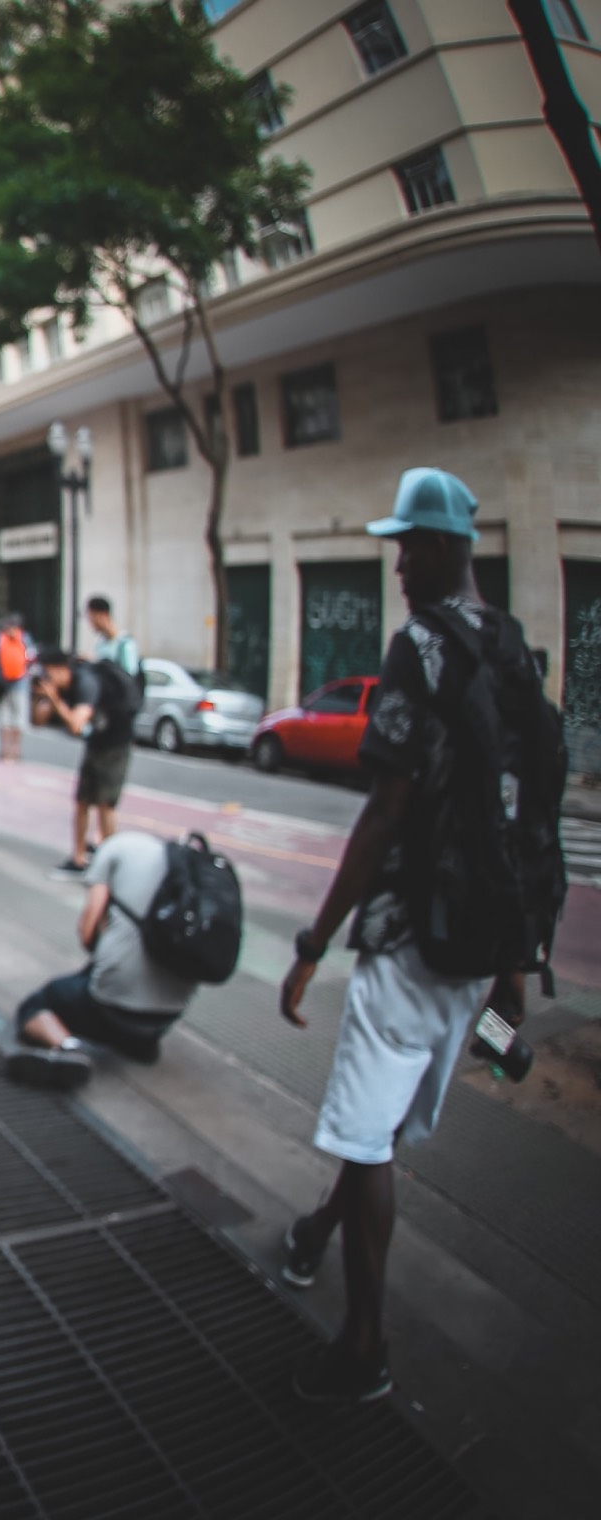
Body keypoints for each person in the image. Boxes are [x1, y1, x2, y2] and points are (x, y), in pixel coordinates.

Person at [277, 467, 561, 1406]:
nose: (396, 564)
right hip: (481, 947)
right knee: (382, 1130)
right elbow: (529, 814)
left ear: (441, 548)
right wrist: (515, 972)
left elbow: (383, 815)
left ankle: (364, 1347)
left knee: (365, 1139)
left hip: (407, 942)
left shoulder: (419, 650)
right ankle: (319, 1233)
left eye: (405, 546)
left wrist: (316, 940)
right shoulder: (515, 649)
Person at [5, 829, 201, 1088]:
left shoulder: (112, 850)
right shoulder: (181, 865)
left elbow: (87, 933)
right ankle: (137, 1043)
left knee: (36, 1005)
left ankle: (69, 1048)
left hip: (111, 1007)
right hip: (169, 1015)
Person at [36, 648, 131, 873]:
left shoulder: (86, 682)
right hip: (97, 742)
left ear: (60, 669)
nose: (46, 678)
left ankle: (110, 867)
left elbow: (76, 725)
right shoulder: (66, 685)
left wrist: (54, 700)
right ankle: (79, 859)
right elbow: (37, 721)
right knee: (83, 801)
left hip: (116, 742)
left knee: (105, 805)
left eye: (48, 673)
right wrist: (43, 697)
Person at [0, 612, 35, 762]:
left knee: (18, 718)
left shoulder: (24, 638)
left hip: (20, 682)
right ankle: (5, 750)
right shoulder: (0, 638)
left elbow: (31, 658)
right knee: (4, 717)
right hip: (3, 683)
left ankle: (15, 751)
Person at [86, 595, 140, 679]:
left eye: (92, 618)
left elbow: (129, 675)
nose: (91, 624)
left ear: (103, 614)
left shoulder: (125, 643)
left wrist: (98, 662)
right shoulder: (101, 642)